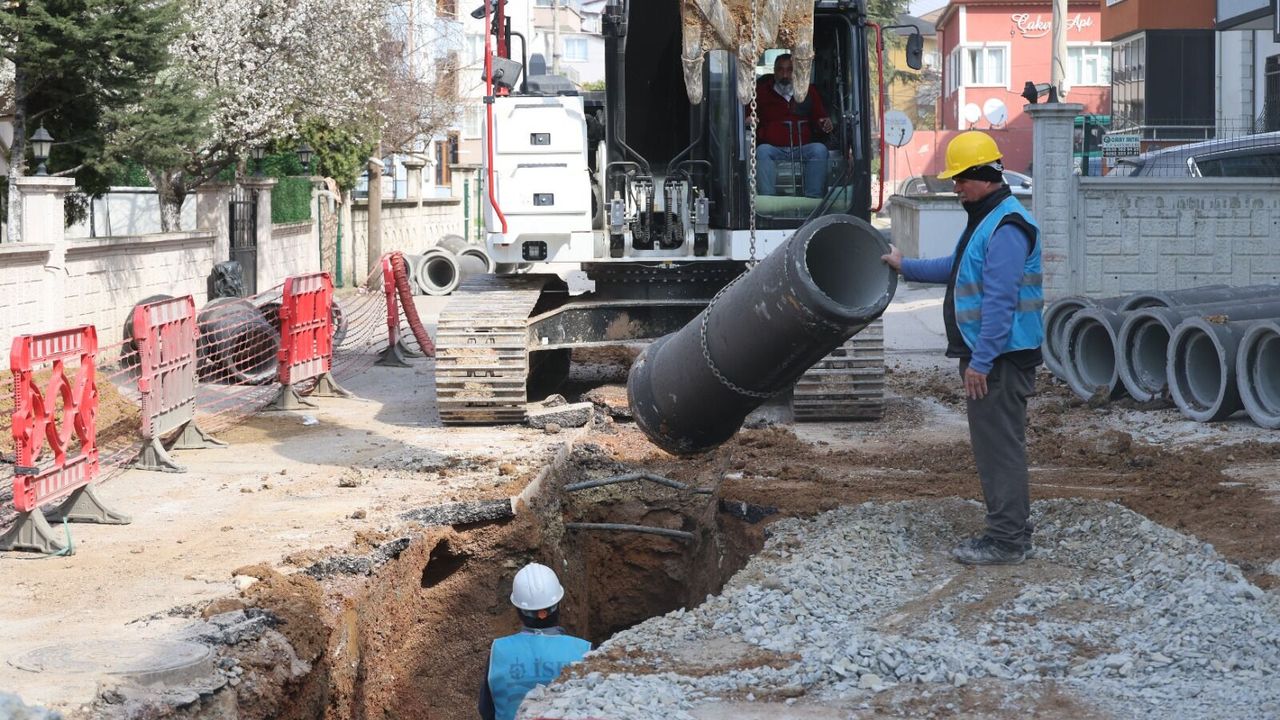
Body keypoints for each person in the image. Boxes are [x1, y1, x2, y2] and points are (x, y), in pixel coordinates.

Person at [881, 131, 1044, 566]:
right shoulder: (987, 219)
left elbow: (1000, 301)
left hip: (999, 362)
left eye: (960, 180)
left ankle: (1007, 541)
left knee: (998, 449)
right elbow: (958, 269)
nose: (955, 189)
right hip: (993, 358)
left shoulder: (1007, 227)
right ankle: (1015, 530)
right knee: (999, 445)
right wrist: (905, 265)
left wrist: (982, 362)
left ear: (982, 177)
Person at [479, 563, 590, 720]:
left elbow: (486, 709)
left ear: (518, 610)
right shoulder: (583, 650)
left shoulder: (499, 650)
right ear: (558, 605)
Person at [752, 53, 834, 198]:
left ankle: (812, 200)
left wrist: (825, 123)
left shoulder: (808, 92)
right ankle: (768, 200)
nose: (785, 75)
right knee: (762, 151)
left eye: (789, 70)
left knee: (819, 150)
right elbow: (747, 114)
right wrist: (749, 120)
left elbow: (820, 117)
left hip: (802, 147)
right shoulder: (761, 92)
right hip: (773, 148)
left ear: (795, 72)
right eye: (780, 70)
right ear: (774, 72)